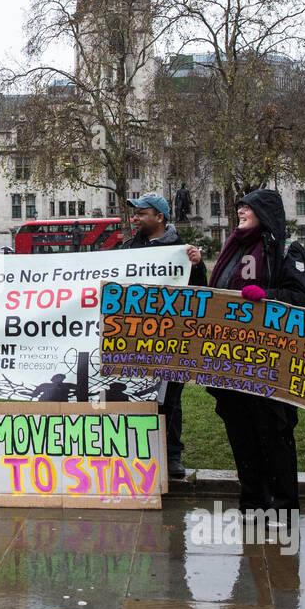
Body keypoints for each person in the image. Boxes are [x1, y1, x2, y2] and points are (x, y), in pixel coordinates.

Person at [207, 190, 305, 516]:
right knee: (241, 437)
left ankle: (282, 507)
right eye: (239, 205)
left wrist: (265, 297)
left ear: (265, 213)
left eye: (248, 207)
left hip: (271, 364)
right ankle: (252, 502)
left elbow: (303, 299)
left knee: (274, 436)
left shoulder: (285, 251)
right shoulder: (233, 248)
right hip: (230, 362)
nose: (241, 210)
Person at [119, 191, 206, 479]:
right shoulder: (129, 248)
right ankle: (139, 453)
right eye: (134, 213)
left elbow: (200, 294)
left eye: (141, 213)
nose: (135, 218)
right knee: (136, 397)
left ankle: (172, 456)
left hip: (171, 340)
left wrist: (197, 266)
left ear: (159, 217)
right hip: (134, 338)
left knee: (169, 399)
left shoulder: (182, 251)